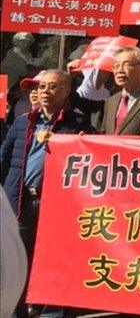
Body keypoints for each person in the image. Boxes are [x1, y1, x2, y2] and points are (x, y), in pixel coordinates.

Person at [1, 71, 92, 289]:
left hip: (55, 203)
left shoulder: (78, 124)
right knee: (18, 259)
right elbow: (4, 158)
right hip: (21, 200)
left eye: (53, 87)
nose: (45, 92)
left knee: (52, 256)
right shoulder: (24, 122)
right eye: (42, 87)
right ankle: (18, 309)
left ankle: (48, 308)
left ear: (67, 91)